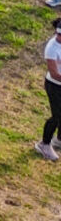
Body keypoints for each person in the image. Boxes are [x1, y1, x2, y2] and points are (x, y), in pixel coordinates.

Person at [38, 15, 61, 160]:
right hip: (54, 86)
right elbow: (54, 74)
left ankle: (59, 140)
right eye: (59, 34)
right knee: (57, 116)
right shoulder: (52, 48)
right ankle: (44, 144)